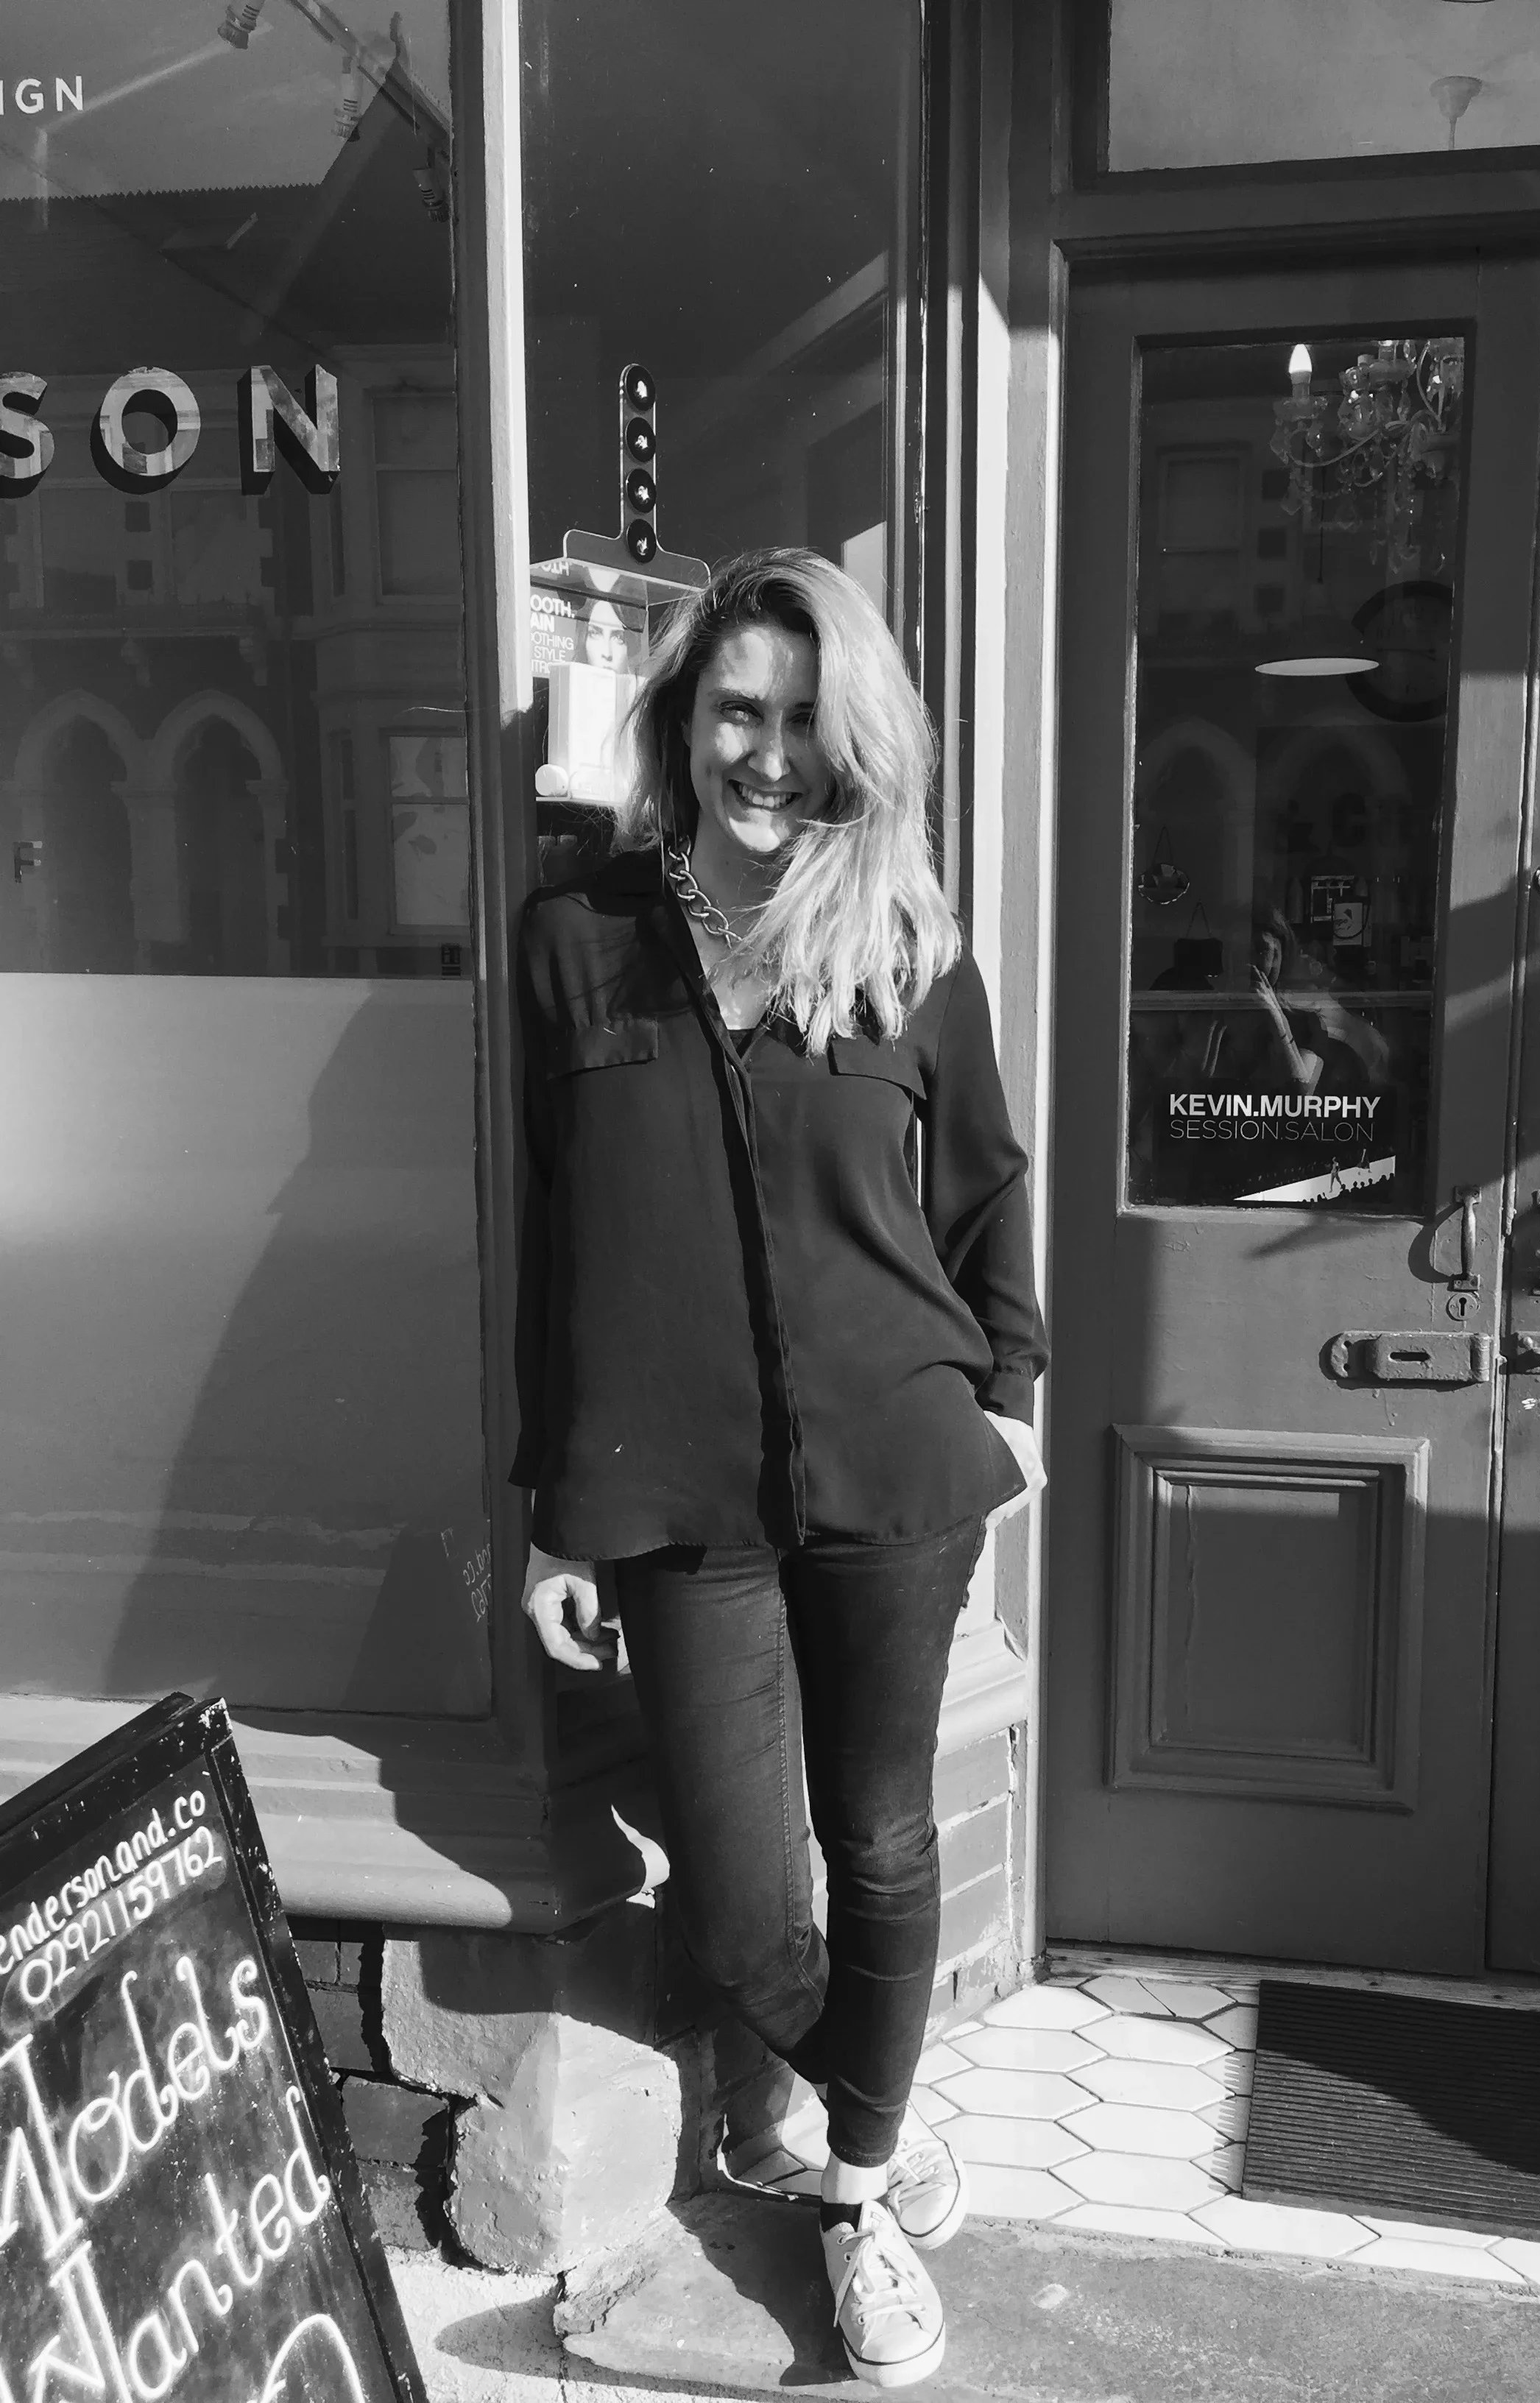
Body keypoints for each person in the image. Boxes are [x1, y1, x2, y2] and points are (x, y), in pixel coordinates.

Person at [512, 548, 1048, 2388]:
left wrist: (1017, 1396)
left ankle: (862, 2195)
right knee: (748, 1893)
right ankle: (867, 2092)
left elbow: (982, 1186)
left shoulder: (903, 944)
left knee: (885, 1838)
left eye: (804, 718)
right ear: (681, 720)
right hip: (672, 1495)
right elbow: (554, 1237)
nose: (768, 753)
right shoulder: (577, 939)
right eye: (735, 708)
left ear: (857, 738)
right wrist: (555, 1509)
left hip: (897, 1466)